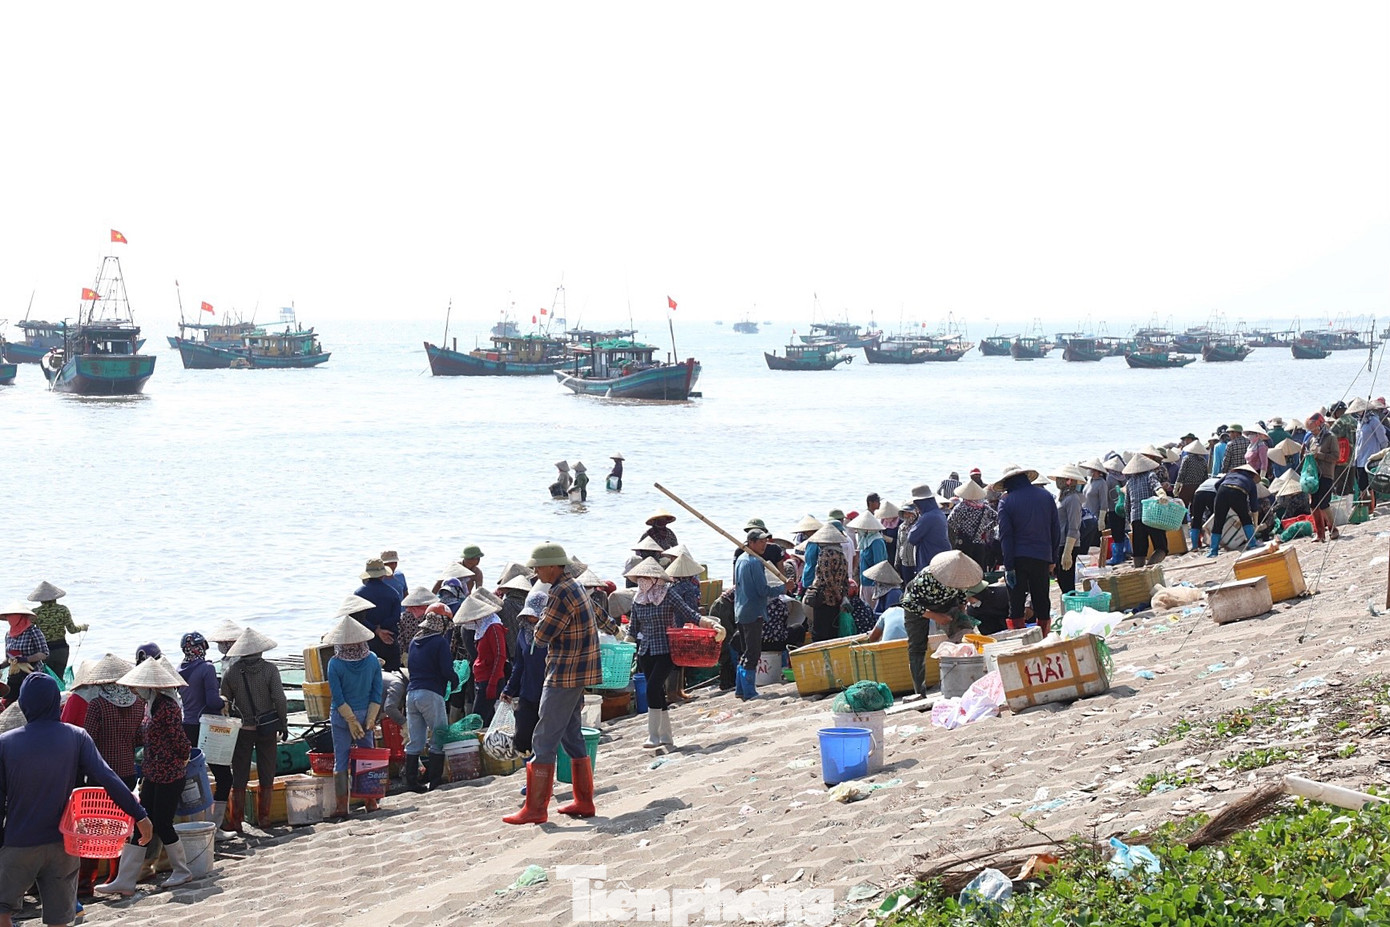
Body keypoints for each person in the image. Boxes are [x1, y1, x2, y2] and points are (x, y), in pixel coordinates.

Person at [1, 674, 153, 927]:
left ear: (24, 703)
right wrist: (139, 815)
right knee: (60, 918)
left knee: (3, 910)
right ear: (54, 702)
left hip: (19, 843)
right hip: (64, 844)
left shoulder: (5, 743)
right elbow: (108, 777)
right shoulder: (77, 736)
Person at [505, 542, 604, 825]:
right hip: (579, 671)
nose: (535, 572)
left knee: (543, 738)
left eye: (537, 567)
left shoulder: (560, 592)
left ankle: (536, 808)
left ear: (552, 566)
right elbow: (600, 617)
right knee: (571, 735)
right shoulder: (575, 586)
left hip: (564, 673)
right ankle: (584, 800)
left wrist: (535, 627)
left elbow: (542, 635)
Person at [98, 656, 193, 893]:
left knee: (162, 823)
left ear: (149, 686)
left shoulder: (168, 707)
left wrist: (182, 757)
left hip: (170, 774)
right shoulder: (151, 705)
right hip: (152, 772)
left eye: (138, 686)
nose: (134, 690)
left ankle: (181, 870)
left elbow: (181, 742)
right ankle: (125, 879)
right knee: (143, 822)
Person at [625, 557, 703, 748]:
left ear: (654, 579)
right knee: (657, 691)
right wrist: (625, 645)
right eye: (640, 577)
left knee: (652, 688)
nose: (642, 581)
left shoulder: (668, 594)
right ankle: (666, 736)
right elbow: (633, 628)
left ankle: (653, 735)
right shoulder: (638, 599)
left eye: (645, 577)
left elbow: (688, 613)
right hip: (646, 651)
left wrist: (707, 623)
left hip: (666, 649)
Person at [220, 627, 286, 834]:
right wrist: (283, 722)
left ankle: (237, 821)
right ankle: (264, 819)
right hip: (267, 726)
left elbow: (225, 701)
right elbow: (279, 699)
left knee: (239, 774)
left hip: (243, 728)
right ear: (261, 651)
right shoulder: (270, 670)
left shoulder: (231, 672)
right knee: (267, 771)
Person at [899, 550, 988, 693]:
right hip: (918, 605)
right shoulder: (926, 578)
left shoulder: (961, 580)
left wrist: (961, 613)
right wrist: (935, 616)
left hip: (946, 603)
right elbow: (908, 603)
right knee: (917, 646)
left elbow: (960, 598)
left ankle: (968, 681)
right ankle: (919, 691)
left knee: (965, 635)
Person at [177, 632, 235, 842]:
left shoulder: (179, 669)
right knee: (224, 777)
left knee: (194, 778)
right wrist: (223, 700)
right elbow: (212, 701)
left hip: (186, 728)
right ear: (202, 648)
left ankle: (194, 827)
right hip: (206, 728)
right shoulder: (207, 668)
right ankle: (215, 828)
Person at [324, 616, 383, 816]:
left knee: (341, 758)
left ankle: (342, 807)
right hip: (367, 714)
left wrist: (350, 719)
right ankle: (371, 801)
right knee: (368, 755)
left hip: (341, 718)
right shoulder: (373, 659)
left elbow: (338, 697)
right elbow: (377, 692)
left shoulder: (334, 664)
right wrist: (370, 718)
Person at [994, 464, 1061, 634]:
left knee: (1016, 604)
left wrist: (1008, 567)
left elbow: (1006, 537)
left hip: (1017, 559)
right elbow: (1055, 529)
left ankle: (1019, 639)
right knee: (1041, 600)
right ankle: (1044, 636)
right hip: (1042, 556)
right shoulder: (1046, 496)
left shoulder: (1006, 502)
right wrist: (1053, 558)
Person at [732, 529, 792, 700]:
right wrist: (784, 588)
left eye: (765, 542)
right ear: (751, 542)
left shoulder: (741, 559)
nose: (764, 545)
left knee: (745, 652)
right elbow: (762, 590)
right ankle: (749, 691)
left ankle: (740, 689)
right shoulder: (753, 562)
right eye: (760, 542)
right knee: (752, 653)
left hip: (741, 610)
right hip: (752, 611)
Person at [403, 605, 457, 793]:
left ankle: (411, 783)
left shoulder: (414, 641)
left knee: (415, 741)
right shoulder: (439, 642)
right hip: (430, 694)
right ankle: (435, 781)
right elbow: (446, 670)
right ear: (441, 624)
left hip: (412, 695)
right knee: (438, 737)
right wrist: (455, 679)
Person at [502, 586, 550, 754]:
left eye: (534, 615)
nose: (531, 618)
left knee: (545, 737)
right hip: (528, 692)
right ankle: (528, 769)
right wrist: (509, 689)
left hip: (549, 692)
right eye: (529, 615)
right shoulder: (523, 633)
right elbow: (519, 665)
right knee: (522, 738)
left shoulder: (554, 633)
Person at [455, 589, 507, 726]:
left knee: (477, 720)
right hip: (482, 679)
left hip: (490, 680)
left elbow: (500, 656)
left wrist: (492, 683)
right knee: (486, 720)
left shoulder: (493, 627)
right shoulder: (481, 628)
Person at [26, 582, 86, 679]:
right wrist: (83, 627)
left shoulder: (35, 612)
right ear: (55, 597)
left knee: (45, 679)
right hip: (61, 649)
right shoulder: (63, 610)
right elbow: (72, 629)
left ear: (40, 600)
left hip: (44, 651)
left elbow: (30, 633)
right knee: (59, 677)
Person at [354, 558, 404, 672]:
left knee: (369, 675)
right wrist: (382, 629)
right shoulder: (393, 593)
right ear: (383, 575)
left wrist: (376, 630)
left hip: (368, 642)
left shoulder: (359, 594)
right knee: (393, 675)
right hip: (389, 639)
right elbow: (396, 617)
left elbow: (357, 618)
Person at [1121, 454, 1170, 568]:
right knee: (1162, 548)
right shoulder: (1150, 475)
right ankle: (1149, 568)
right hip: (1151, 516)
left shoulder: (1129, 483)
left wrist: (1130, 521)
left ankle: (1139, 572)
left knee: (1139, 552)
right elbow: (1157, 487)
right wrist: (1162, 495)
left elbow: (1126, 505)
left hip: (1136, 518)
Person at [803, 524, 850, 642]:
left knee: (820, 632)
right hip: (836, 600)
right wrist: (842, 596)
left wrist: (838, 595)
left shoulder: (825, 554)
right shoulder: (841, 554)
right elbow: (845, 579)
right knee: (832, 632)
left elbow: (827, 577)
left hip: (823, 599)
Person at [1050, 464, 1087, 596]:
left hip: (1068, 543)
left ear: (1069, 481)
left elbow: (1074, 525)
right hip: (1059, 542)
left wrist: (1068, 551)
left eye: (1061, 478)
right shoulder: (1060, 497)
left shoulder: (1073, 499)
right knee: (1060, 578)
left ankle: (1072, 606)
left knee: (1067, 580)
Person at [947, 480, 998, 569]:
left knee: (964, 569)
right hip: (979, 544)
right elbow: (998, 519)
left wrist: (959, 530)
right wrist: (985, 529)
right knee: (978, 569)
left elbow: (950, 521)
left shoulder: (961, 507)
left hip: (964, 543)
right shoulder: (984, 508)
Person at [3, 603, 48, 703]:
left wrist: (25, 659)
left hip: (32, 673)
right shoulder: (8, 634)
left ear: (20, 617)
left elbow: (44, 654)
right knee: (11, 703)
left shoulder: (33, 631)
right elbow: (8, 657)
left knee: (31, 702)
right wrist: (1, 665)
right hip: (14, 675)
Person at [1306, 411, 1340, 541]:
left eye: (1314, 429)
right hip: (1314, 476)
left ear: (1320, 425)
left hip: (1326, 474)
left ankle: (1333, 529)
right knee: (1313, 504)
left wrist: (1319, 456)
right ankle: (1320, 534)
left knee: (1324, 503)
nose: (1312, 432)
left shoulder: (1330, 437)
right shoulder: (1312, 440)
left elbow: (1336, 457)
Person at [1353, 398, 1388, 513]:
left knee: (1371, 484)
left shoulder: (1373, 420)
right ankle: (1365, 506)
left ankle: (1371, 508)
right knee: (1362, 484)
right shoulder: (1359, 422)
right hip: (1359, 457)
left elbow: (1382, 438)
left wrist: (1383, 453)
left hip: (1371, 456)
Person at [906, 484, 951, 573]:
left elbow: (912, 538)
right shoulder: (939, 513)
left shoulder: (927, 517)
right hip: (942, 558)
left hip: (930, 560)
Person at [847, 511, 887, 605]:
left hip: (873, 584)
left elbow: (879, 565)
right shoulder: (865, 541)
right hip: (864, 582)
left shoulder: (876, 542)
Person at [396, 586, 439, 666]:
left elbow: (400, 639)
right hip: (428, 652)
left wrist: (401, 655)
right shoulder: (430, 616)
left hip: (411, 652)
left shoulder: (403, 617)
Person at [1173, 440, 1210, 506]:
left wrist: (1176, 487)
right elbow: (1205, 476)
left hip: (1187, 486)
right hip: (1198, 487)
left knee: (1183, 506)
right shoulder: (1203, 461)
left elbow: (1181, 473)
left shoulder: (1187, 458)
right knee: (1194, 507)